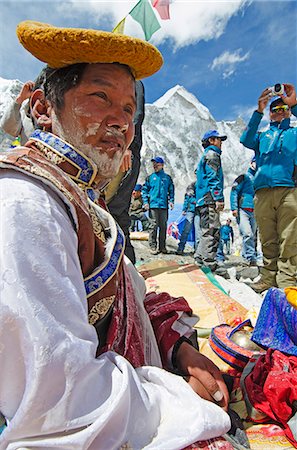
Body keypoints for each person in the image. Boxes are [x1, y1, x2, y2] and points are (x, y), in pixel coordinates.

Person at [0, 21, 231, 448]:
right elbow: (58, 408)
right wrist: (180, 399)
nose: (120, 122)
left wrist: (178, 351)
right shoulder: (27, 202)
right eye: (100, 96)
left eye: (128, 109)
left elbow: (131, 291)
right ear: (42, 107)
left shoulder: (83, 197)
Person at [240, 84, 297, 293]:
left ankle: (287, 281)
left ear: (289, 112)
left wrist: (294, 103)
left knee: (289, 238)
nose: (278, 112)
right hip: (262, 192)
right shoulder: (263, 136)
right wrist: (259, 110)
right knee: (267, 238)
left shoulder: (294, 133)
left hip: (289, 190)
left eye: (283, 108)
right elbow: (245, 139)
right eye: (275, 109)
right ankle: (267, 278)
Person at [106, 80, 145, 264]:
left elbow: (134, 117)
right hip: (121, 152)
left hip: (125, 154)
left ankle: (123, 270)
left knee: (113, 211)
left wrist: (126, 146)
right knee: (119, 214)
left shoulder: (133, 84)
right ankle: (127, 269)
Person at [194, 130, 228, 277]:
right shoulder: (213, 155)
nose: (221, 143)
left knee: (205, 229)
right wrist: (218, 197)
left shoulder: (205, 156)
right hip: (210, 198)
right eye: (219, 140)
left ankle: (199, 259)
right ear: (212, 140)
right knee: (212, 230)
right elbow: (213, 177)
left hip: (202, 198)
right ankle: (209, 263)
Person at [142, 156, 175, 254]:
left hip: (163, 206)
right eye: (154, 164)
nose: (155, 166)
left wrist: (172, 201)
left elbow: (171, 190)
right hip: (153, 205)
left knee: (163, 226)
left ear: (162, 165)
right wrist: (145, 202)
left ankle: (162, 247)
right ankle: (153, 246)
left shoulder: (167, 178)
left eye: (157, 164)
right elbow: (144, 190)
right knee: (153, 226)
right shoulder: (150, 178)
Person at [230, 157, 257, 266]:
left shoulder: (260, 178)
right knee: (247, 233)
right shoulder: (243, 177)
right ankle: (250, 257)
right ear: (251, 163)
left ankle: (248, 258)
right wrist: (234, 208)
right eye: (255, 162)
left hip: (255, 211)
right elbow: (234, 191)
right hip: (242, 210)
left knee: (253, 235)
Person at [176, 181, 200, 255]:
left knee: (198, 231)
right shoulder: (191, 186)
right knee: (186, 229)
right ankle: (180, 248)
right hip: (191, 210)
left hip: (199, 211)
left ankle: (197, 251)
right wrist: (184, 209)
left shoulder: (202, 184)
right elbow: (187, 199)